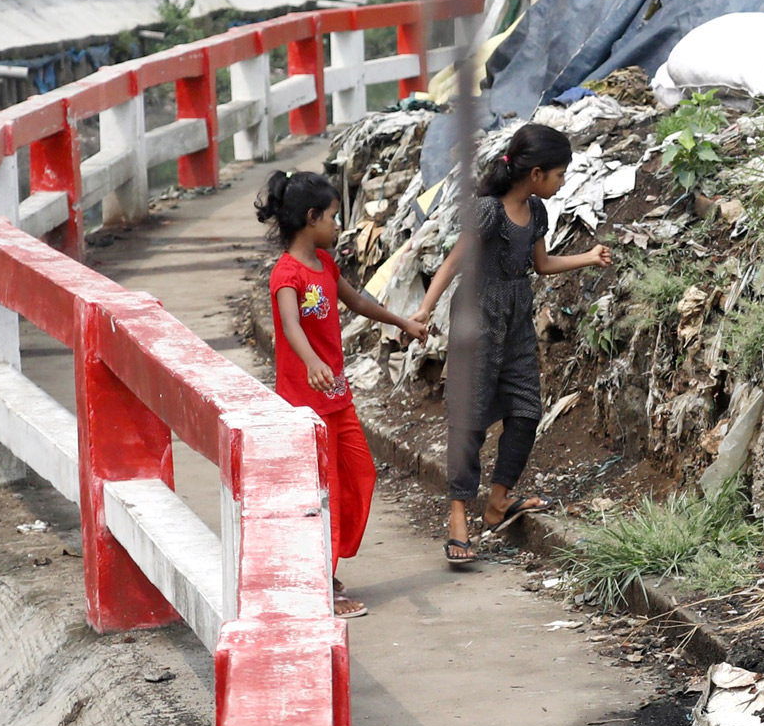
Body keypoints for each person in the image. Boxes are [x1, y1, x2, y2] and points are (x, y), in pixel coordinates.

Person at [411, 124, 611, 566]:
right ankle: (458, 515)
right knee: (470, 417)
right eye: (559, 174)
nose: (562, 182)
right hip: (478, 318)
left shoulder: (536, 210)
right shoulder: (488, 212)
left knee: (525, 411)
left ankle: (498, 500)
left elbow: (541, 264)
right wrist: (424, 310)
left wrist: (588, 257)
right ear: (536, 173)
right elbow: (453, 263)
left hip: (517, 318)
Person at [257, 169, 429, 617]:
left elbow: (359, 302)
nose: (338, 226)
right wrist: (312, 361)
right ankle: (322, 582)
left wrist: (403, 322)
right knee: (326, 492)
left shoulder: (325, 265)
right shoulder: (286, 273)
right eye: (334, 217)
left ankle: (323, 565)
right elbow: (291, 325)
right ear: (311, 217)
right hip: (304, 406)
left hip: (337, 399)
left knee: (359, 476)